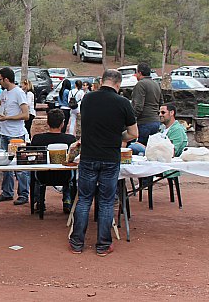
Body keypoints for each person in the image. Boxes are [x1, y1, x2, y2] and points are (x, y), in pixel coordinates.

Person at [69, 69, 138, 257]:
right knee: (106, 202)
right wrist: (118, 136)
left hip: (89, 156)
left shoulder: (88, 99)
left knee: (84, 199)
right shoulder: (123, 103)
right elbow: (134, 134)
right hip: (110, 158)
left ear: (102, 81)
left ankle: (77, 242)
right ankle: (103, 244)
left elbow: (87, 124)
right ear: (118, 83)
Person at [0, 67, 30, 205]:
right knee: (6, 165)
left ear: (6, 79)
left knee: (20, 166)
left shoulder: (18, 93)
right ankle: (7, 192)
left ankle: (23, 194)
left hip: (16, 135)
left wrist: (8, 118)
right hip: (4, 134)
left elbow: (26, 115)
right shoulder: (4, 93)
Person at [31, 109, 77, 213]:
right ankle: (67, 200)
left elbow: (31, 157)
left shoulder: (37, 139)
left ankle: (39, 201)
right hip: (65, 176)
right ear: (62, 123)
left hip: (42, 175)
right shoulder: (70, 139)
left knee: (35, 173)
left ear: (47, 122)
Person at [132, 63, 163, 146]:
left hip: (144, 122)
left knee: (138, 148)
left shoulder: (141, 84)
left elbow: (138, 106)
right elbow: (161, 103)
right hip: (156, 122)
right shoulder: (156, 84)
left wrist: (131, 119)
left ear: (140, 73)